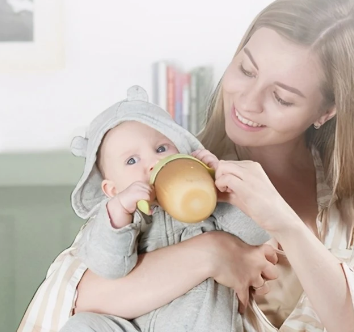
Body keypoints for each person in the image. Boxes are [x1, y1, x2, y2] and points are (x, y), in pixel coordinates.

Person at [18, 0, 354, 331]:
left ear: (327, 110)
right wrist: (212, 251)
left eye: (282, 97)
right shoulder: (172, 174)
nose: (247, 102)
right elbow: (73, 295)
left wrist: (283, 222)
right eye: (246, 69)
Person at [58, 85, 270, 331]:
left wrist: (224, 193)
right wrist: (119, 214)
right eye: (131, 160)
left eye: (161, 149)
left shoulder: (205, 204)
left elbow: (257, 233)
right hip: (131, 325)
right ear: (112, 190)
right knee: (82, 325)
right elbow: (109, 267)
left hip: (199, 323)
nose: (153, 162)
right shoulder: (118, 220)